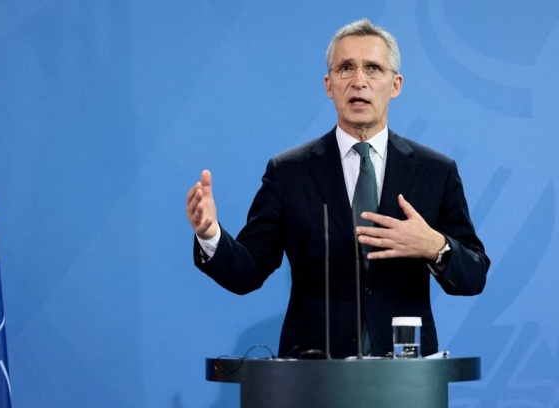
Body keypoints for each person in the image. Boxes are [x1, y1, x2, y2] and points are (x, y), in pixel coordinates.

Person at [186, 18, 489, 359]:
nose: (359, 81)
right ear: (329, 85)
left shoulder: (436, 171)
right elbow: (247, 272)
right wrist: (210, 234)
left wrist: (435, 246)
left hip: (406, 378)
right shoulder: (289, 173)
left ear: (396, 84)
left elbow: (474, 275)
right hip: (315, 377)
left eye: (373, 68)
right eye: (346, 68)